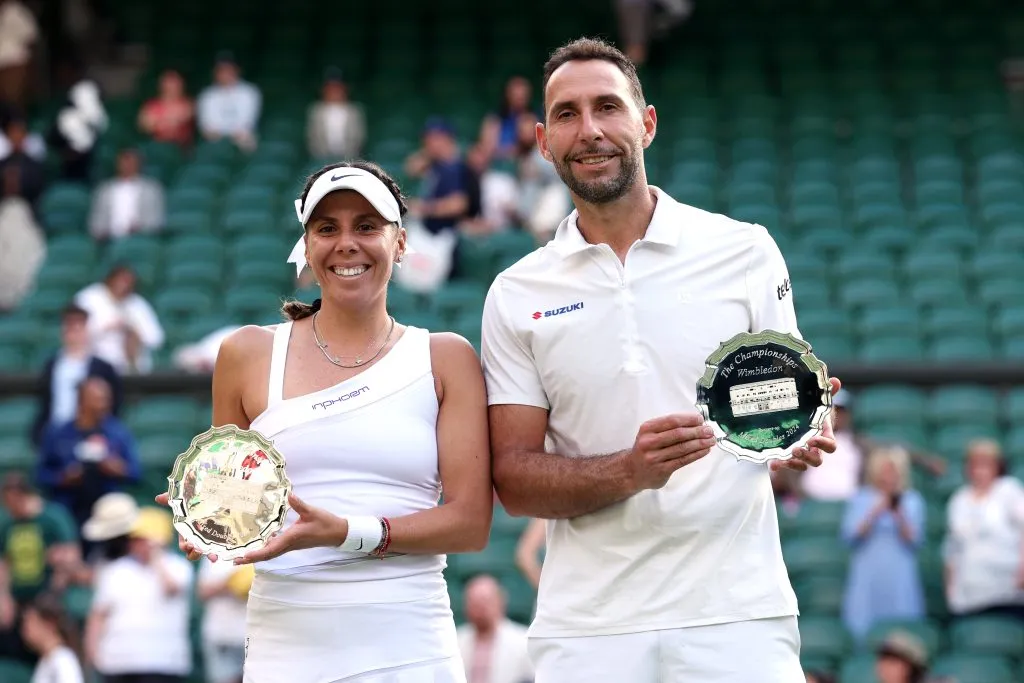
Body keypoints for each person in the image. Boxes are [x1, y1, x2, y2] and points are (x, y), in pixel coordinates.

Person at [480, 37, 840, 682]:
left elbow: (790, 403)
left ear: (646, 122)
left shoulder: (746, 251)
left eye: (607, 107)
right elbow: (513, 477)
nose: (589, 130)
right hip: (588, 629)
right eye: (567, 114)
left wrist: (803, 437)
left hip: (737, 616)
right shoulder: (516, 293)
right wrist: (630, 470)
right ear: (541, 139)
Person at [157, 160, 492, 683]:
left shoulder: (447, 357)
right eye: (327, 228)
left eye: (366, 226)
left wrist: (345, 533)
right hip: (284, 651)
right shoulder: (244, 353)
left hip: (411, 647)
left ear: (400, 243)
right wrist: (210, 523)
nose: (346, 243)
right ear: (307, 247)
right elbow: (232, 500)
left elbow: (470, 523)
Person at [21, 592, 85, 683]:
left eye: (31, 622)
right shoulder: (46, 660)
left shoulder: (63, 659)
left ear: (49, 623)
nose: (25, 629)